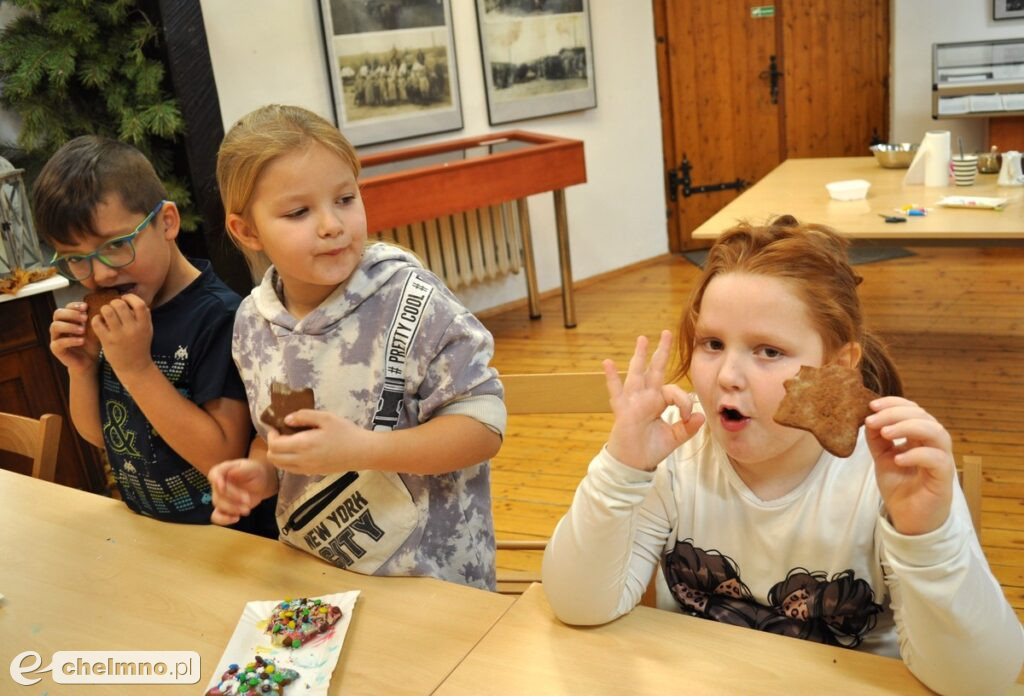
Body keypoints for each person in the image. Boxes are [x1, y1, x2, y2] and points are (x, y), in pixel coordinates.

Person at [542, 216, 1023, 694]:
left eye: (768, 351)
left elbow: (980, 681)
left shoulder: (895, 476)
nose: (728, 375)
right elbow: (579, 606)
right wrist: (621, 471)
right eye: (713, 343)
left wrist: (926, 537)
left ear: (836, 366)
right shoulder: (675, 452)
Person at [208, 104, 505, 590]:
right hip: (318, 580)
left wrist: (366, 448)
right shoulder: (251, 323)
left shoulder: (412, 299)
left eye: (345, 199)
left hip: (433, 585)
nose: (331, 224)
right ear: (247, 230)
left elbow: (483, 429)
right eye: (299, 211)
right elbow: (274, 439)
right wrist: (259, 474)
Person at [34, 135, 277, 537]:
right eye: (76, 259)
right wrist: (81, 371)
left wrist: (136, 368)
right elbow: (105, 438)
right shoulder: (120, 319)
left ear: (167, 222)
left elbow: (222, 457)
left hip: (225, 541)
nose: (100, 275)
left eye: (115, 245)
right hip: (149, 534)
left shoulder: (222, 318)